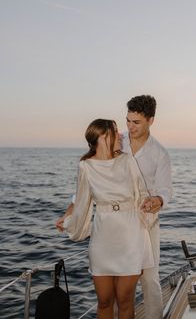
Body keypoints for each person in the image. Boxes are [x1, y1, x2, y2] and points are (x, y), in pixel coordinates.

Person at [56, 118, 157, 319]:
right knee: (104, 301)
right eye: (115, 132)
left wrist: (149, 203)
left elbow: (143, 193)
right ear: (102, 137)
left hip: (131, 236)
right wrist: (68, 219)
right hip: (103, 239)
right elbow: (81, 200)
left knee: (126, 300)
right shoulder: (86, 166)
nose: (121, 135)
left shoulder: (128, 160)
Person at [121, 95, 172, 319]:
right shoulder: (115, 141)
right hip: (119, 222)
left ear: (151, 120)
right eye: (128, 121)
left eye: (136, 122)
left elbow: (165, 189)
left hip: (147, 221)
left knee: (150, 278)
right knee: (120, 279)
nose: (130, 127)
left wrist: (158, 201)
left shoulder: (160, 153)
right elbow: (96, 175)